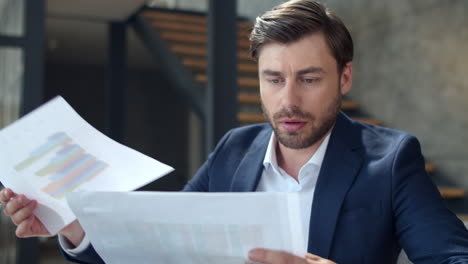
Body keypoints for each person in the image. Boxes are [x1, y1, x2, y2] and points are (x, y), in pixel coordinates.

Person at [2, 0, 468, 263]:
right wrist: (76, 225)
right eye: (273, 79)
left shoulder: (391, 160)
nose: (288, 100)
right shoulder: (234, 149)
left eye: (309, 78)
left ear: (344, 78)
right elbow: (154, 246)